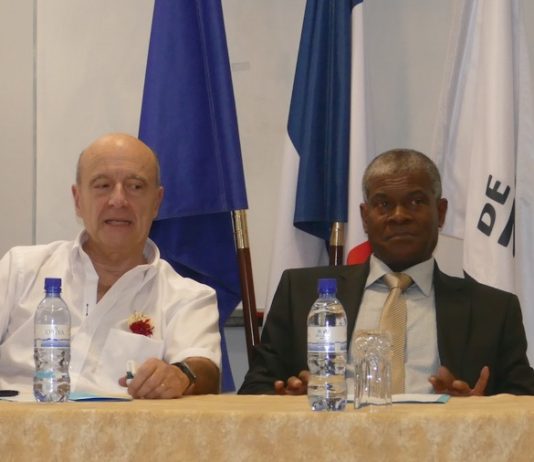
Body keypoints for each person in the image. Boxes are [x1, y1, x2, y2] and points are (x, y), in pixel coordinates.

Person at [239, 148, 534, 396]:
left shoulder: (493, 309)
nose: (399, 216)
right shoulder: (301, 293)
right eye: (383, 204)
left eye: (416, 202)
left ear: (441, 212)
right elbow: (255, 389)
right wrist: (287, 400)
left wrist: (479, 409)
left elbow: (524, 401)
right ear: (365, 217)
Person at [0, 133, 221, 399]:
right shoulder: (20, 269)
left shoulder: (188, 297)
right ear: (78, 199)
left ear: (156, 202)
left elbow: (204, 368)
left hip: (122, 426)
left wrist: (181, 375)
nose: (118, 200)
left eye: (135, 187)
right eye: (102, 185)